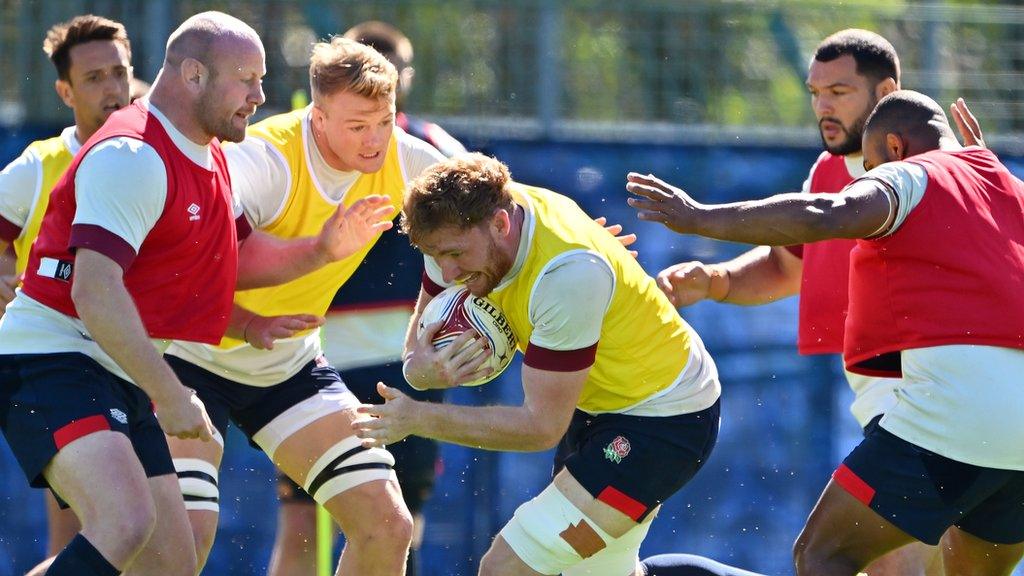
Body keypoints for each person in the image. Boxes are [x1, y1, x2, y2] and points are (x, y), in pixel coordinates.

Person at [0, 12, 390, 576]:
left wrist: (253, 324)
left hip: (118, 369)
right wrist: (173, 394)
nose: (261, 96)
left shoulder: (209, 161)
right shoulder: (133, 154)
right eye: (246, 79)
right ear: (192, 75)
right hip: (53, 359)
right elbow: (95, 290)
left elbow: (190, 286)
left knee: (168, 565)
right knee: (123, 524)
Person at [625, 89, 1024, 575]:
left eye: (871, 166)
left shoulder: (909, 173)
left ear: (895, 148)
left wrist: (699, 217)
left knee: (822, 554)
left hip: (957, 410)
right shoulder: (1006, 184)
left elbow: (826, 214)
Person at [354, 152, 722, 576]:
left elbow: (541, 427)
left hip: (662, 422)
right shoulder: (454, 229)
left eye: (455, 254)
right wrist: (425, 370)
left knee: (506, 569)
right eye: (436, 255)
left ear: (500, 225)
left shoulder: (567, 273)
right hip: (595, 407)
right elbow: (414, 358)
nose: (448, 271)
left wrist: (417, 417)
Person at [162, 36, 446, 575]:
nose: (374, 140)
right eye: (356, 125)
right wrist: (320, 250)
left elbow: (490, 204)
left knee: (388, 526)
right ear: (317, 118)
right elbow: (210, 262)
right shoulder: (263, 157)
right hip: (188, 358)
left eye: (383, 121)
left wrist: (562, 236)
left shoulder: (406, 152)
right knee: (182, 537)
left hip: (288, 367)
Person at [268, 21, 469, 576]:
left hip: (405, 364)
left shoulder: (430, 153)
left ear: (402, 79)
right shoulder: (295, 152)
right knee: (304, 527)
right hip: (315, 363)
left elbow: (486, 221)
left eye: (386, 73)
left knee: (400, 523)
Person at [0, 16, 130, 575]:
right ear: (65, 91)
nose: (111, 88)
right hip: (58, 367)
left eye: (119, 72)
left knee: (145, 537)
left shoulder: (150, 155)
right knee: (87, 534)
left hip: (132, 368)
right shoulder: (40, 165)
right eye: (94, 76)